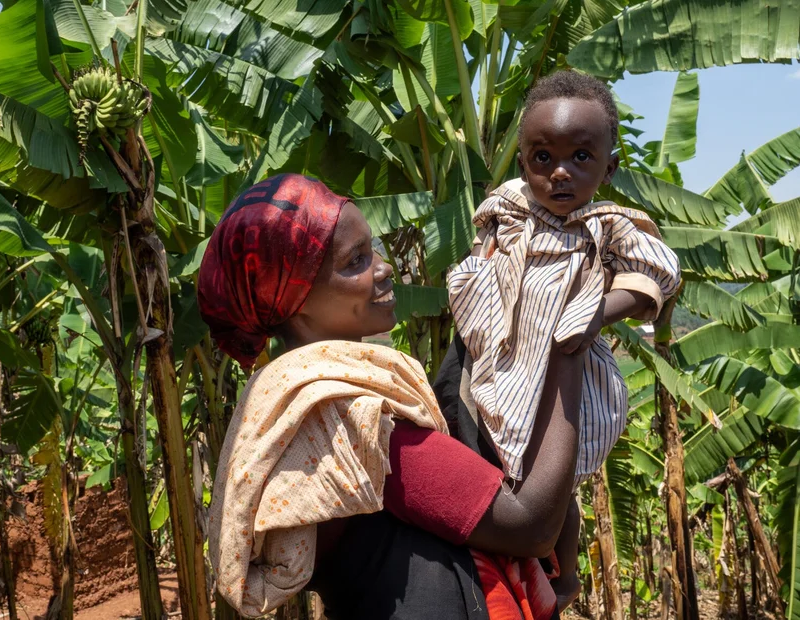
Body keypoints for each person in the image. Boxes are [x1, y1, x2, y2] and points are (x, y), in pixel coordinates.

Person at [198, 173, 586, 619]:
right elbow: (529, 525)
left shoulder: (310, 399)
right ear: (297, 300)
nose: (382, 268)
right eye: (355, 261)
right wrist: (567, 347)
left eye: (372, 248)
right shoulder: (345, 416)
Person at [445, 70, 681, 605]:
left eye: (581, 157)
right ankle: (505, 573)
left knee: (557, 481)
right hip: (502, 359)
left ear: (609, 166)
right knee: (499, 468)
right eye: (542, 158)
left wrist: (593, 315)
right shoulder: (508, 209)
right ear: (524, 160)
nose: (560, 174)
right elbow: (481, 249)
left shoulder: (607, 225)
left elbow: (654, 278)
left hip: (567, 369)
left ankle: (566, 574)